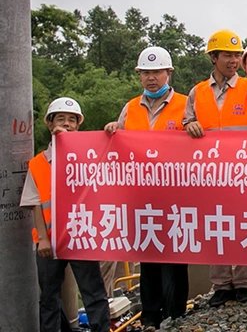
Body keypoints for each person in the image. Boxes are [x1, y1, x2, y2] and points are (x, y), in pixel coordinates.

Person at [183, 29, 247, 307]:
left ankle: (245, 282)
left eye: (237, 55)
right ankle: (222, 285)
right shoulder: (197, 92)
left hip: (244, 172)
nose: (233, 61)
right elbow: (186, 122)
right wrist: (189, 125)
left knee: (246, 224)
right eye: (228, 55)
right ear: (214, 57)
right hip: (210, 175)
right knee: (216, 228)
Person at [103, 47, 190, 328]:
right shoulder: (130, 108)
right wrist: (113, 129)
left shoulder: (186, 103)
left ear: (169, 73)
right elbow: (120, 142)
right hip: (142, 196)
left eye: (156, 72)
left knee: (176, 257)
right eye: (146, 73)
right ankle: (151, 314)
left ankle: (176, 314)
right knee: (148, 257)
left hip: (175, 194)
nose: (151, 78)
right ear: (139, 75)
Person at [23, 98, 111, 332]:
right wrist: (42, 238)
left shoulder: (88, 159)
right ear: (50, 124)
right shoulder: (38, 164)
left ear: (78, 126)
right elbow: (34, 203)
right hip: (50, 241)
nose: (67, 124)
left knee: (94, 293)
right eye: (61, 119)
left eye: (72, 120)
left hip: (82, 237)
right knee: (49, 298)